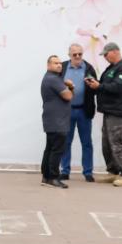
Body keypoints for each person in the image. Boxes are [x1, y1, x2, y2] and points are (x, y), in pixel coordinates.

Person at [85, 42, 122, 187]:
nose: (105, 57)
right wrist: (95, 84)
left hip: (119, 112)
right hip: (109, 111)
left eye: (106, 54)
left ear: (114, 52)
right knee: (107, 144)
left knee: (118, 142)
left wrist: (99, 86)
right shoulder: (111, 68)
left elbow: (117, 87)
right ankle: (113, 172)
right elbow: (105, 85)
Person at [59, 44, 98, 182]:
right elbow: (55, 86)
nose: (77, 57)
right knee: (66, 142)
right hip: (66, 111)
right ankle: (65, 171)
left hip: (84, 111)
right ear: (69, 55)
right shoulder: (62, 68)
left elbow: (95, 89)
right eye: (74, 54)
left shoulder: (89, 68)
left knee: (86, 143)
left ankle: (88, 172)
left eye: (80, 54)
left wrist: (92, 85)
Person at [41, 55, 73, 188]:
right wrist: (70, 86)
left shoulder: (51, 78)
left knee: (50, 149)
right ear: (48, 65)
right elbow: (68, 96)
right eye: (55, 63)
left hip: (53, 120)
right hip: (57, 121)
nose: (59, 65)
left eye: (60, 63)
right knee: (56, 150)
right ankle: (53, 178)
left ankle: (46, 176)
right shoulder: (53, 79)